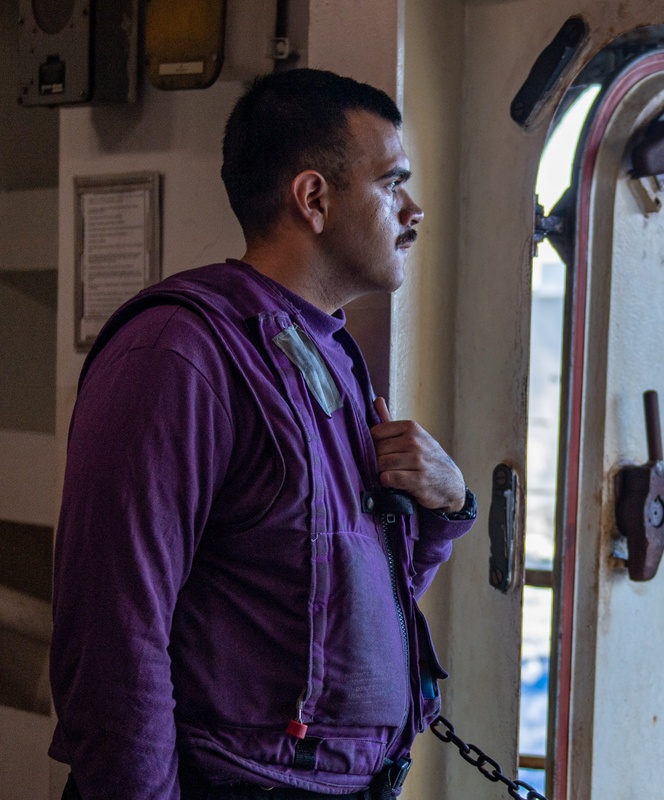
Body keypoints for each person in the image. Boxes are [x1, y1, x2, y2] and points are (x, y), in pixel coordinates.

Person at [49, 68, 477, 800]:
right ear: (314, 199)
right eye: (391, 183)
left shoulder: (325, 354)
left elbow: (335, 606)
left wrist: (442, 512)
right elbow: (114, 639)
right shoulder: (178, 354)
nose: (414, 210)